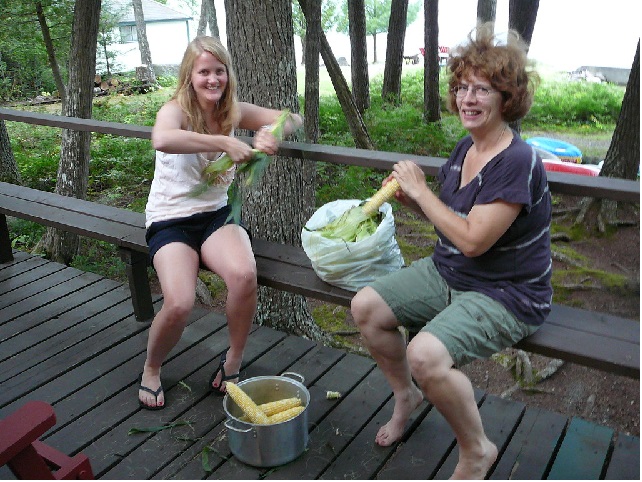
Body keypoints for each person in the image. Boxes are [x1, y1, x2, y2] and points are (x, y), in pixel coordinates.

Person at [350, 25, 551, 479]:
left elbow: (475, 240)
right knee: (366, 307)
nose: (468, 99)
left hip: (507, 292)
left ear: (507, 98)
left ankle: (477, 449)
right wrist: (413, 201)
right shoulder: (466, 147)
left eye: (482, 89)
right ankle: (407, 395)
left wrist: (422, 193)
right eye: (462, 87)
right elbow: (454, 223)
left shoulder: (517, 160)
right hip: (450, 272)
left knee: (425, 355)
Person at [138, 36, 303, 410]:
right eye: (204, 72)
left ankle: (233, 362)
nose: (213, 79)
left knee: (244, 276)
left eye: (219, 71)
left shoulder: (233, 110)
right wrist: (225, 143)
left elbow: (294, 117)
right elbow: (162, 138)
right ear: (189, 76)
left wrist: (272, 132)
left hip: (215, 216)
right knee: (179, 302)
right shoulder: (176, 110)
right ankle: (151, 368)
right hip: (170, 220)